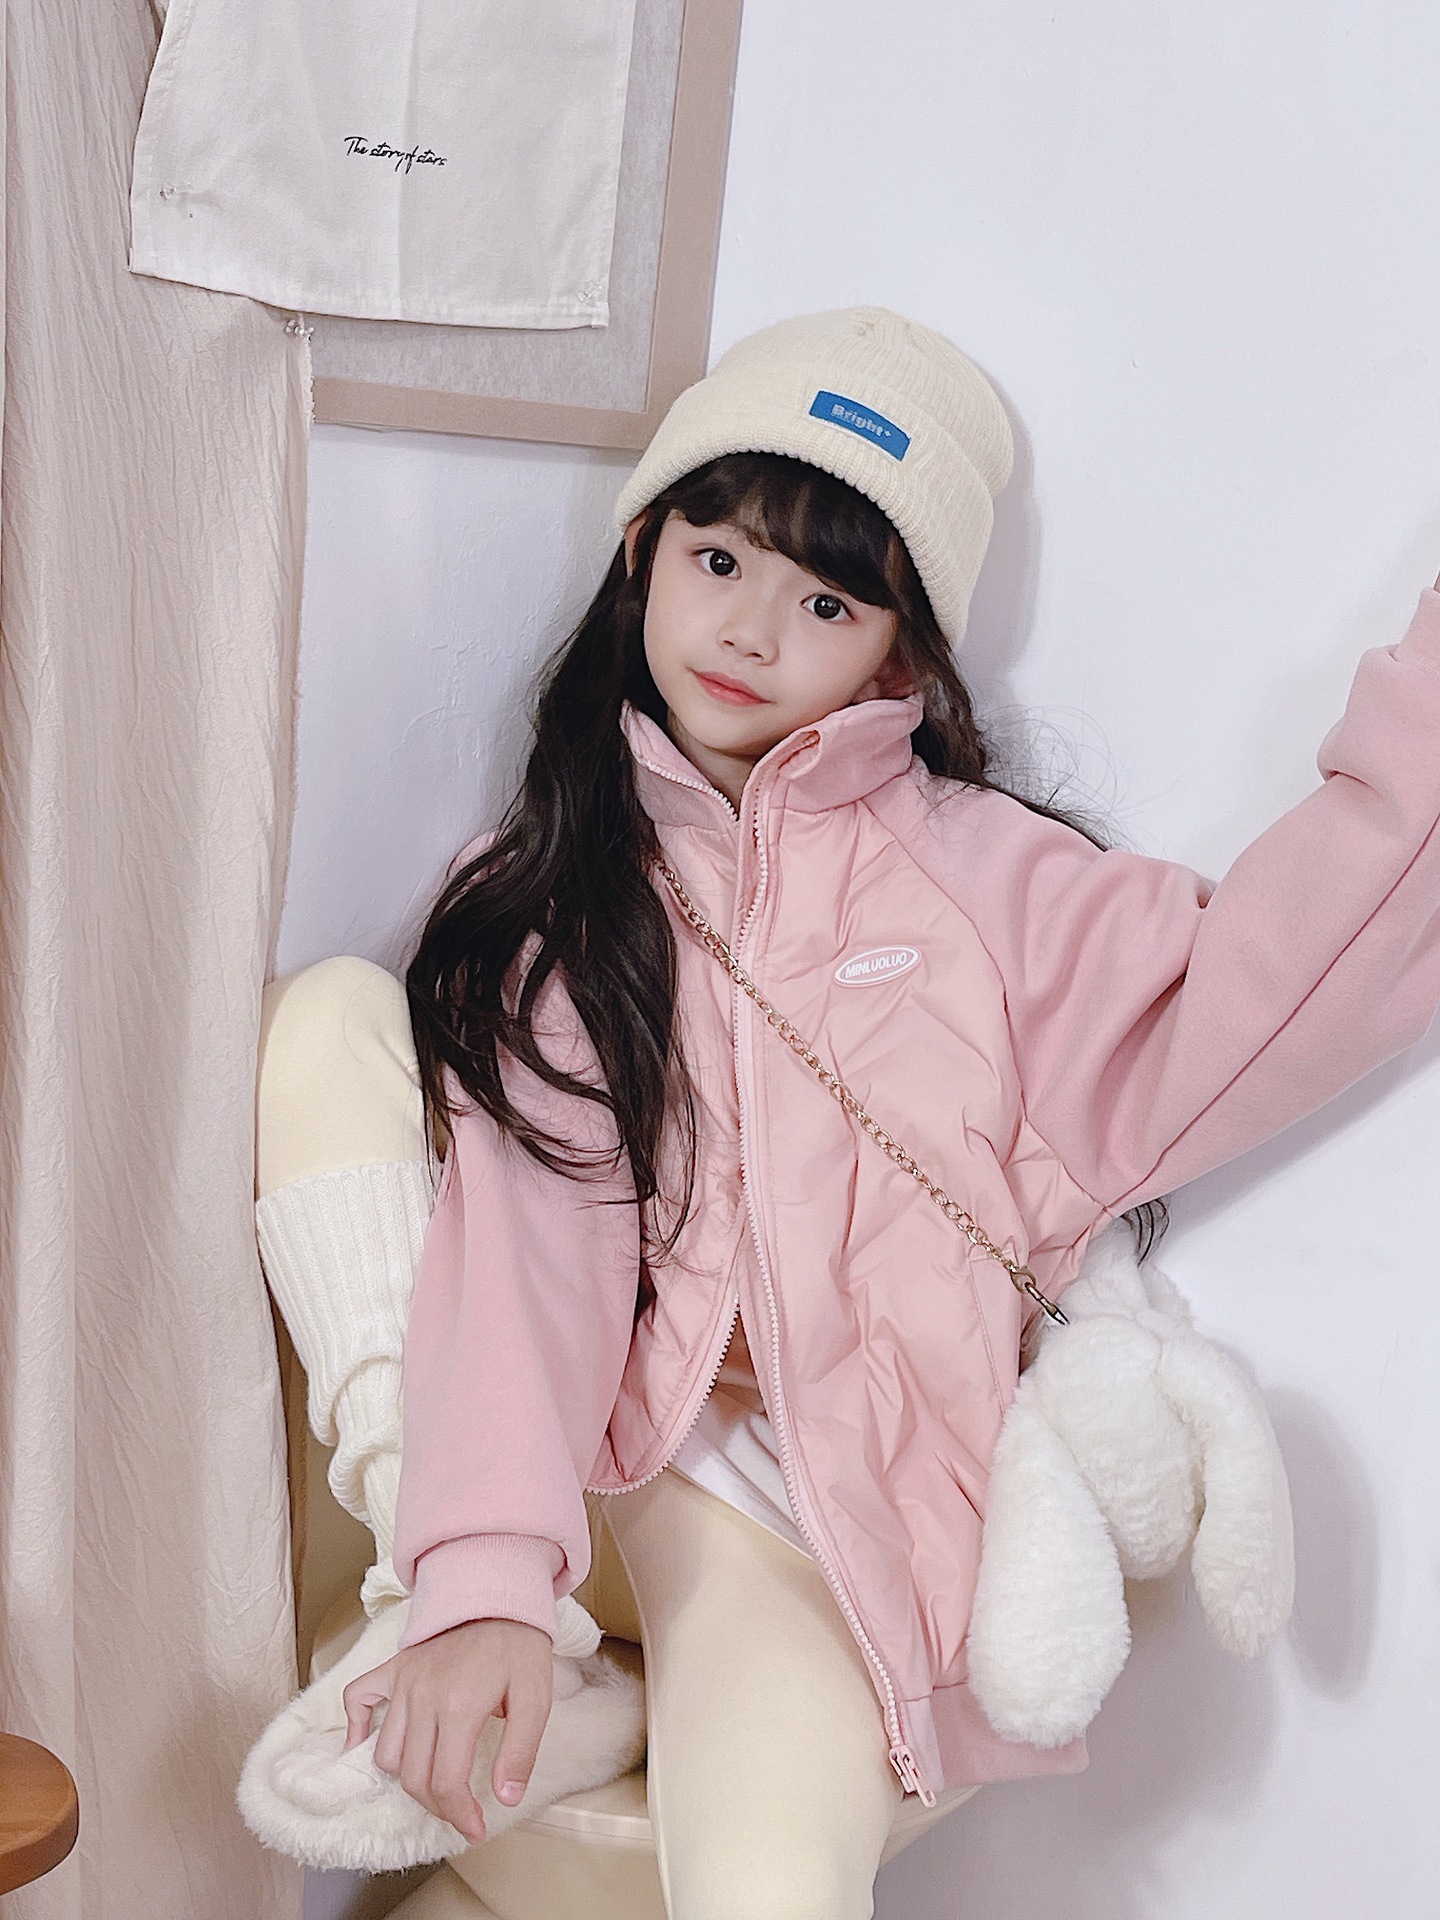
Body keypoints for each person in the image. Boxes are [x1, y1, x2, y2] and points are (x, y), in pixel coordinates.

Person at [338, 307, 1440, 1917]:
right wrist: (484, 1580)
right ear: (643, 549)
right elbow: (530, 1253)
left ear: (900, 658)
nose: (749, 630)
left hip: (813, 1524)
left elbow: (1279, 984)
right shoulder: (556, 892)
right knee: (321, 1030)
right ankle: (502, 1643)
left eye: (826, 601)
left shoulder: (994, 886)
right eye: (718, 558)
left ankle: (594, 1718)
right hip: (600, 1467)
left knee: (769, 1889)